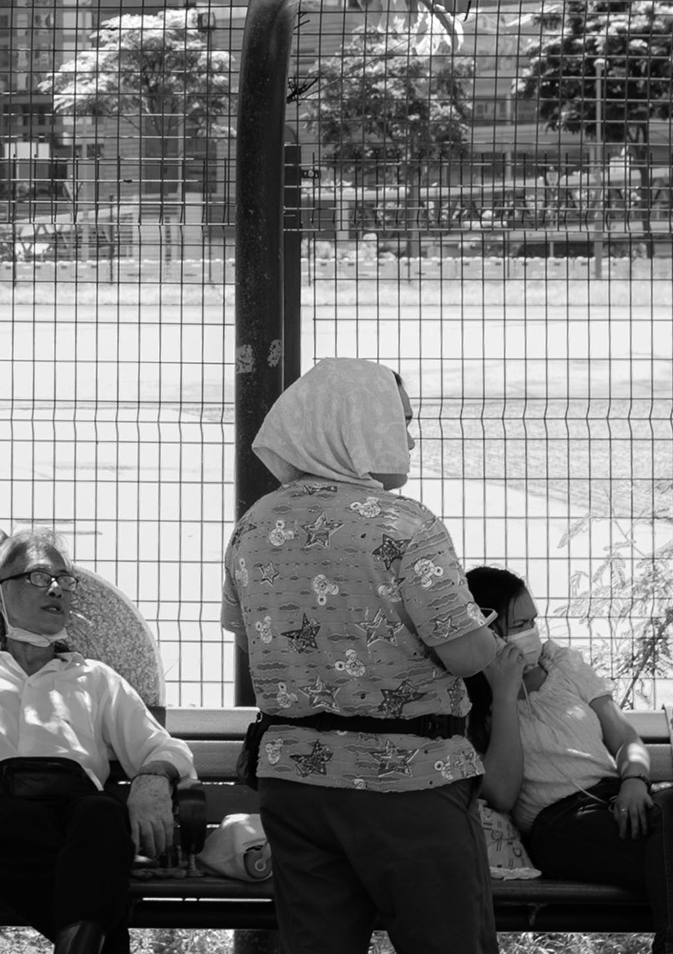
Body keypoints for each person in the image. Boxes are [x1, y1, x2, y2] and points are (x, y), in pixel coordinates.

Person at [221, 358, 525, 954]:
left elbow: (250, 637)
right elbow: (463, 654)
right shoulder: (405, 524)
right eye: (402, 420)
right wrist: (487, 635)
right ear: (360, 424)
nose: (410, 437)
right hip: (409, 783)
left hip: (294, 781)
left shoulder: (253, 525)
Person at [0, 529, 194, 954]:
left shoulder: (96, 679)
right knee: (29, 836)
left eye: (65, 580)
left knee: (103, 814)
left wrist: (152, 779)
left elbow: (165, 748)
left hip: (77, 815)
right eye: (37, 576)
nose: (55, 588)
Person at [461, 568, 673, 954]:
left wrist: (634, 781)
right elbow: (502, 795)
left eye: (534, 621)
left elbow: (626, 738)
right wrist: (504, 694)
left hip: (619, 804)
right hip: (558, 826)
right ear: (486, 631)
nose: (533, 633)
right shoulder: (466, 699)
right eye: (519, 624)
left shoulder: (563, 665)